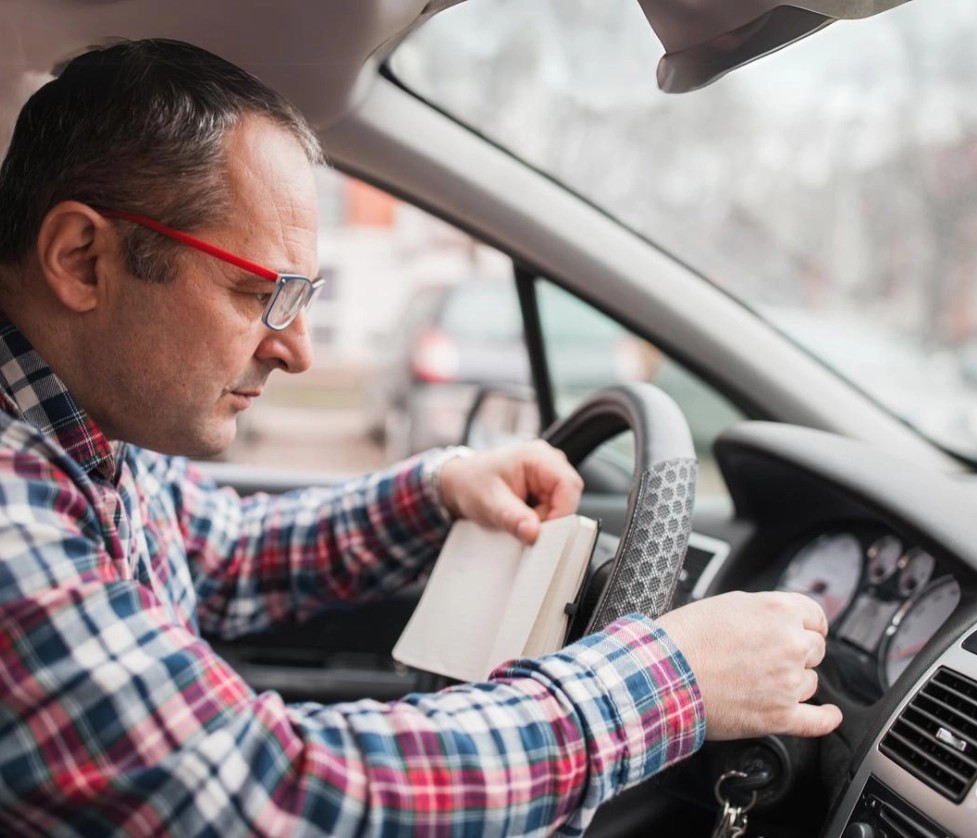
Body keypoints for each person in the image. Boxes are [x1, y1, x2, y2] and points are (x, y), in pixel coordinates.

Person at [0, 39, 841, 835]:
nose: (296, 349)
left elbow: (215, 553)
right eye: (261, 293)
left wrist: (437, 492)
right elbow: (274, 795)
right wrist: (670, 682)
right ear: (81, 260)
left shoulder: (87, 437)